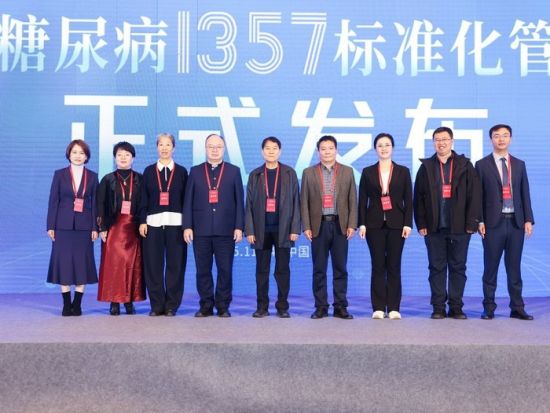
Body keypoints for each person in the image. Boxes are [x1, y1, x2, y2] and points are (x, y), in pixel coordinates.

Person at [414, 126, 481, 319]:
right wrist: (421, 223)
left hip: (460, 228)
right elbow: (418, 197)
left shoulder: (465, 165)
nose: (441, 143)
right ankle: (438, 307)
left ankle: (456, 307)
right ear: (433, 142)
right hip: (434, 228)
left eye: (444, 139)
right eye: (437, 139)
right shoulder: (426, 166)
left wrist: (472, 223)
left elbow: (474, 196)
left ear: (452, 141)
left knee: (458, 268)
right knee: (436, 268)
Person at [476, 124, 534, 320]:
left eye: (505, 135)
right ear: (491, 139)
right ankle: (489, 308)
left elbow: (525, 193)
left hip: (516, 223)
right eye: (497, 136)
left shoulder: (519, 164)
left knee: (514, 268)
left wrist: (528, 219)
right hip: (493, 224)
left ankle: (517, 307)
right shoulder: (481, 165)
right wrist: (480, 220)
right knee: (490, 268)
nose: (501, 139)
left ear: (510, 139)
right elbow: (478, 196)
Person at [183, 134, 245, 318]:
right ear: (206, 149)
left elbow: (239, 201)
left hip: (226, 230)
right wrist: (187, 226)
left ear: (224, 149)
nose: (215, 150)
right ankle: (206, 305)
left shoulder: (233, 171)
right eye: (211, 147)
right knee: (203, 270)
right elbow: (188, 201)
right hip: (200, 230)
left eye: (218, 147)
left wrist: (239, 226)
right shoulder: (195, 171)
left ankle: (223, 306)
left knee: (225, 270)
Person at [301, 135, 357, 320]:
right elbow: (304, 201)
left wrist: (352, 224)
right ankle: (321, 307)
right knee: (319, 269)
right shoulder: (309, 172)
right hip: (318, 226)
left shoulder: (347, 171)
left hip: (341, 225)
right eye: (323, 149)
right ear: (318, 151)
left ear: (336, 150)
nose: (327, 152)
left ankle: (340, 306)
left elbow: (352, 199)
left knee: (340, 268)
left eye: (330, 148)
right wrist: (306, 226)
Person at [358, 133, 413, 320]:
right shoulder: (367, 172)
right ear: (375, 149)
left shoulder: (403, 171)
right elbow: (362, 200)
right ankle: (379, 307)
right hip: (373, 225)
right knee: (378, 265)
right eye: (380, 145)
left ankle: (394, 307)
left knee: (394, 265)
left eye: (387, 145)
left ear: (393, 148)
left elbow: (409, 199)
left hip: (397, 224)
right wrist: (362, 223)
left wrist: (408, 223)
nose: (383, 148)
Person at [245, 137, 301, 318]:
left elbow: (296, 201)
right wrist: (250, 230)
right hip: (261, 230)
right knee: (262, 270)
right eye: (267, 148)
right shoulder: (255, 174)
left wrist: (295, 228)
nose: (271, 151)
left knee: (282, 270)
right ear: (262, 151)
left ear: (280, 151)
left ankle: (282, 307)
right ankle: (262, 307)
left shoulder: (289, 173)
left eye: (274, 148)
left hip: (283, 229)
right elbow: (249, 204)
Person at [47, 139, 99, 316]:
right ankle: (66, 304)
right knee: (64, 264)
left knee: (81, 264)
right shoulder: (59, 174)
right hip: (62, 226)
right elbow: (53, 201)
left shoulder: (92, 176)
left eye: (82, 153)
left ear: (87, 157)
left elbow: (95, 204)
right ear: (69, 154)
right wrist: (50, 225)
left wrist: (95, 227)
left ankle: (77, 304)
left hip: (84, 227)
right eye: (75, 152)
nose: (78, 156)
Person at [139, 133, 188, 317]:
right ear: (156, 147)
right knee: (153, 266)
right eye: (161, 144)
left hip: (177, 226)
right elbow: (143, 199)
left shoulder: (182, 172)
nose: (164, 148)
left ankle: (171, 305)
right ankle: (156, 305)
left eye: (168, 145)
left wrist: (187, 225)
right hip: (153, 225)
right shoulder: (148, 171)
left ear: (174, 148)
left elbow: (187, 201)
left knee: (176, 266)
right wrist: (142, 221)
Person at [97, 141, 145, 315]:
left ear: (133, 158)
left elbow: (144, 204)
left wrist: (143, 223)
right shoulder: (107, 179)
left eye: (127, 155)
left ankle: (129, 300)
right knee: (114, 265)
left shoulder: (140, 179)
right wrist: (102, 227)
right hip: (114, 227)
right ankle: (114, 301)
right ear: (115, 158)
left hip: (134, 228)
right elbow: (100, 204)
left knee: (133, 265)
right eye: (119, 155)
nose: (123, 158)